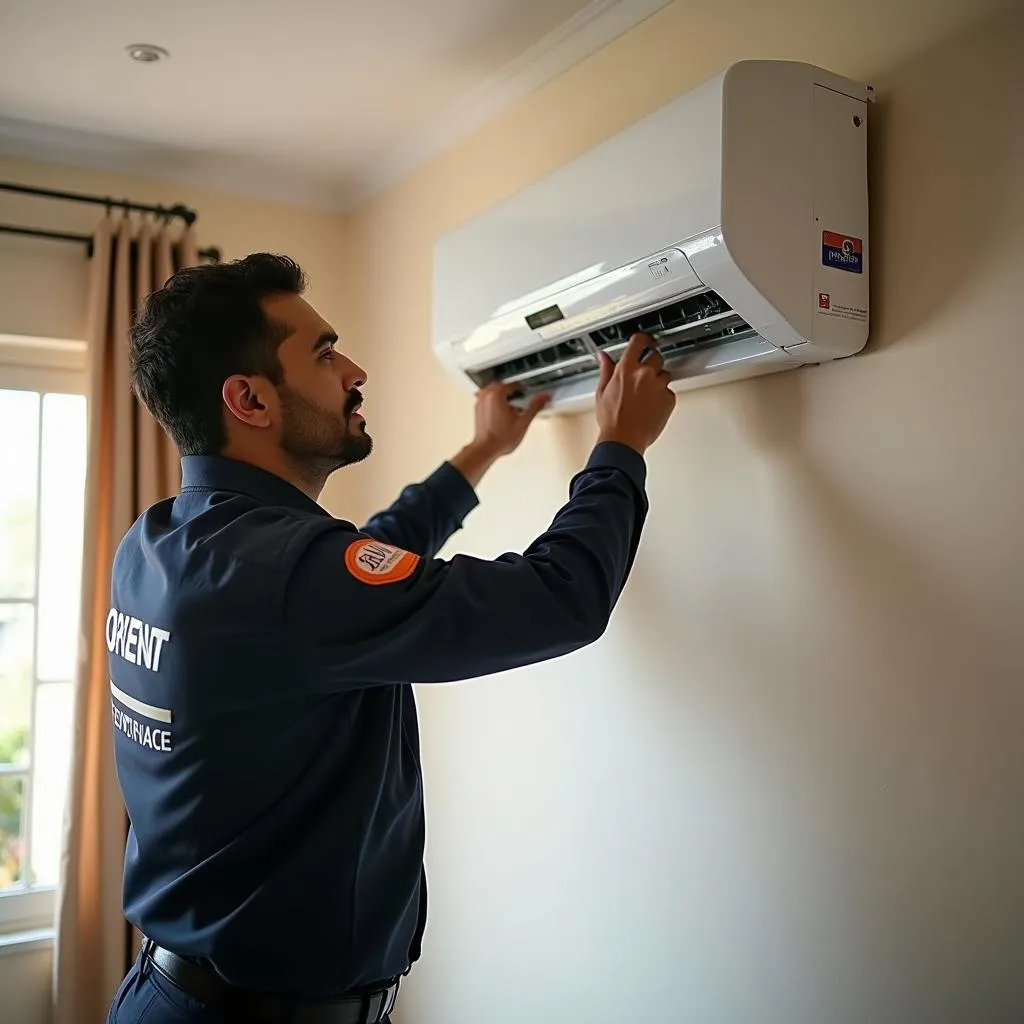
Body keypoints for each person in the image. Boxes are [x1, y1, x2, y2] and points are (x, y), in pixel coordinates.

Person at [105, 253, 676, 1023]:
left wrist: (481, 453)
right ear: (249, 399)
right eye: (323, 352)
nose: (355, 370)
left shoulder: (163, 543)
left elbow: (360, 570)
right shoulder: (288, 577)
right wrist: (620, 448)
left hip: (174, 996)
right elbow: (559, 600)